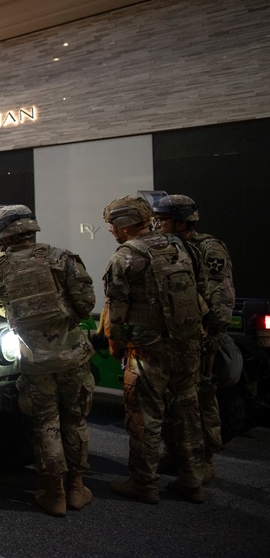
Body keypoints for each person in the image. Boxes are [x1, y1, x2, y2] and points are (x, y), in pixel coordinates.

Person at [0, 205, 96, 517]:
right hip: (72, 354)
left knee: (46, 423)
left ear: (2, 233)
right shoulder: (61, 258)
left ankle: (54, 493)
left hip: (34, 359)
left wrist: (23, 321)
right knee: (75, 419)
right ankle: (77, 488)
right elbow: (86, 303)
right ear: (32, 229)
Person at [101, 195, 206, 505]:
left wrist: (116, 344)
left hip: (148, 350)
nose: (110, 231)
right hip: (186, 343)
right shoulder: (180, 246)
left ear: (123, 225)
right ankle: (191, 480)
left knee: (144, 415)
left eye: (111, 225)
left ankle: (144, 483)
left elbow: (116, 312)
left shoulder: (126, 257)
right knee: (187, 410)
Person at [154, 194, 235, 484]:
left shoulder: (208, 247)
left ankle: (205, 459)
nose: (157, 224)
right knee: (169, 398)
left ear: (180, 220)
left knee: (201, 399)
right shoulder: (166, 246)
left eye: (162, 219)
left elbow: (221, 293)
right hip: (172, 337)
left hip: (200, 337)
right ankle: (174, 453)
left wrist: (212, 333)